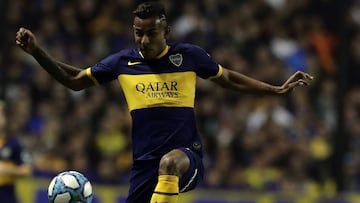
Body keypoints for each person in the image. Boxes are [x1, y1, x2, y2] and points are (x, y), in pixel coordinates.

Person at [15, 1, 313, 203]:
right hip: (143, 167)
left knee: (169, 163)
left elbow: (230, 78)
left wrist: (274, 90)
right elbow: (76, 81)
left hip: (187, 158)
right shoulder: (123, 62)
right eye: (138, 33)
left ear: (166, 32)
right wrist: (38, 51)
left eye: (151, 33)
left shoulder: (190, 56)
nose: (144, 40)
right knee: (159, 168)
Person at [0, 100, 33, 203]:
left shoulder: (14, 144)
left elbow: (27, 170)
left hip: (6, 194)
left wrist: (6, 169)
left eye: (1, 114)